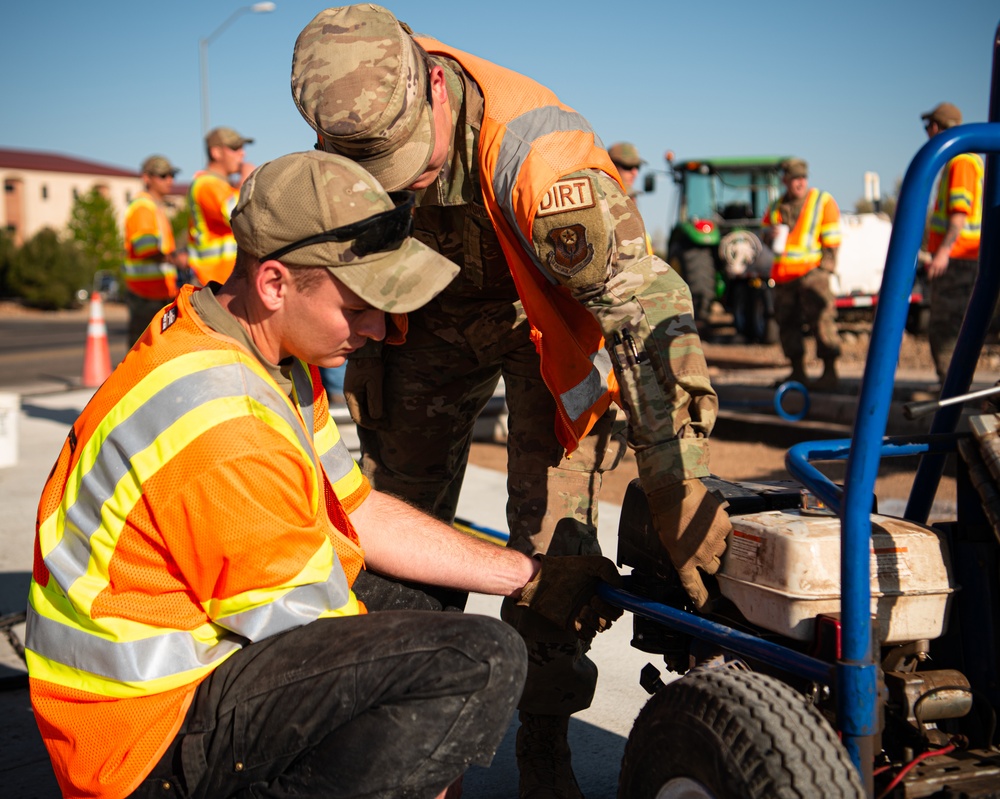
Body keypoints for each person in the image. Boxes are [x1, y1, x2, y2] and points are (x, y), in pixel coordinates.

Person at [25, 150, 623, 799]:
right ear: (276, 283)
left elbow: (358, 511)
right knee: (477, 661)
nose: (381, 329)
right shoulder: (227, 431)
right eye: (360, 304)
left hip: (186, 664)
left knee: (428, 604)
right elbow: (326, 637)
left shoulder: (263, 350)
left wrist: (527, 575)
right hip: (141, 743)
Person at [290, 7, 731, 796]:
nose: (400, 179)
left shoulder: (539, 155)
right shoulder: (347, 121)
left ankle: (542, 739)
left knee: (555, 548)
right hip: (416, 328)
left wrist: (674, 480)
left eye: (403, 155)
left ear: (431, 82)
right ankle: (396, 740)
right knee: (396, 527)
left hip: (540, 327)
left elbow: (643, 309)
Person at [761, 157, 842, 390]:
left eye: (802, 178)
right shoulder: (776, 206)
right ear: (785, 181)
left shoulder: (821, 201)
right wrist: (769, 235)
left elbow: (833, 240)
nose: (799, 183)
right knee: (787, 324)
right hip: (785, 277)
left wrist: (824, 270)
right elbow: (765, 232)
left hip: (812, 275)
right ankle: (798, 373)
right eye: (794, 179)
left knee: (822, 321)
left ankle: (829, 373)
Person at [919, 102, 984, 385]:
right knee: (950, 327)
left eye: (928, 127)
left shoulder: (961, 161)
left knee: (946, 329)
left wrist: (943, 252)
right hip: (960, 258)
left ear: (937, 127)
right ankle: (951, 389)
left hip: (958, 260)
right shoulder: (961, 160)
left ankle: (951, 394)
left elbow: (960, 214)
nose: (927, 133)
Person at [122, 155, 182, 345]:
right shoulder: (143, 206)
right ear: (147, 178)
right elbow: (145, 248)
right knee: (143, 351)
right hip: (146, 294)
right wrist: (175, 259)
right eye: (163, 175)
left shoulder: (155, 206)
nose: (169, 180)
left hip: (156, 293)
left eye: (171, 175)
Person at [186, 126, 255, 287]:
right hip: (211, 281)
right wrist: (247, 179)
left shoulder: (224, 186)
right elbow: (237, 214)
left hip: (223, 280)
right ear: (215, 152)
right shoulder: (206, 183)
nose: (242, 153)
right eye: (234, 148)